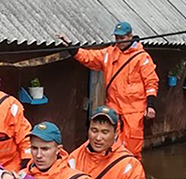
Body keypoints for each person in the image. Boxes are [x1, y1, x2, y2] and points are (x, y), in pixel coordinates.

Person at [58, 21, 159, 159]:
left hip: (134, 110)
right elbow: (89, 57)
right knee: (108, 143)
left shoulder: (142, 58)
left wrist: (151, 105)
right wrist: (72, 48)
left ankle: (131, 173)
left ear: (131, 36)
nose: (119, 41)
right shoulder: (109, 53)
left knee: (132, 147)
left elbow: (151, 82)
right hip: (114, 107)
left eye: (122, 38)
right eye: (117, 38)